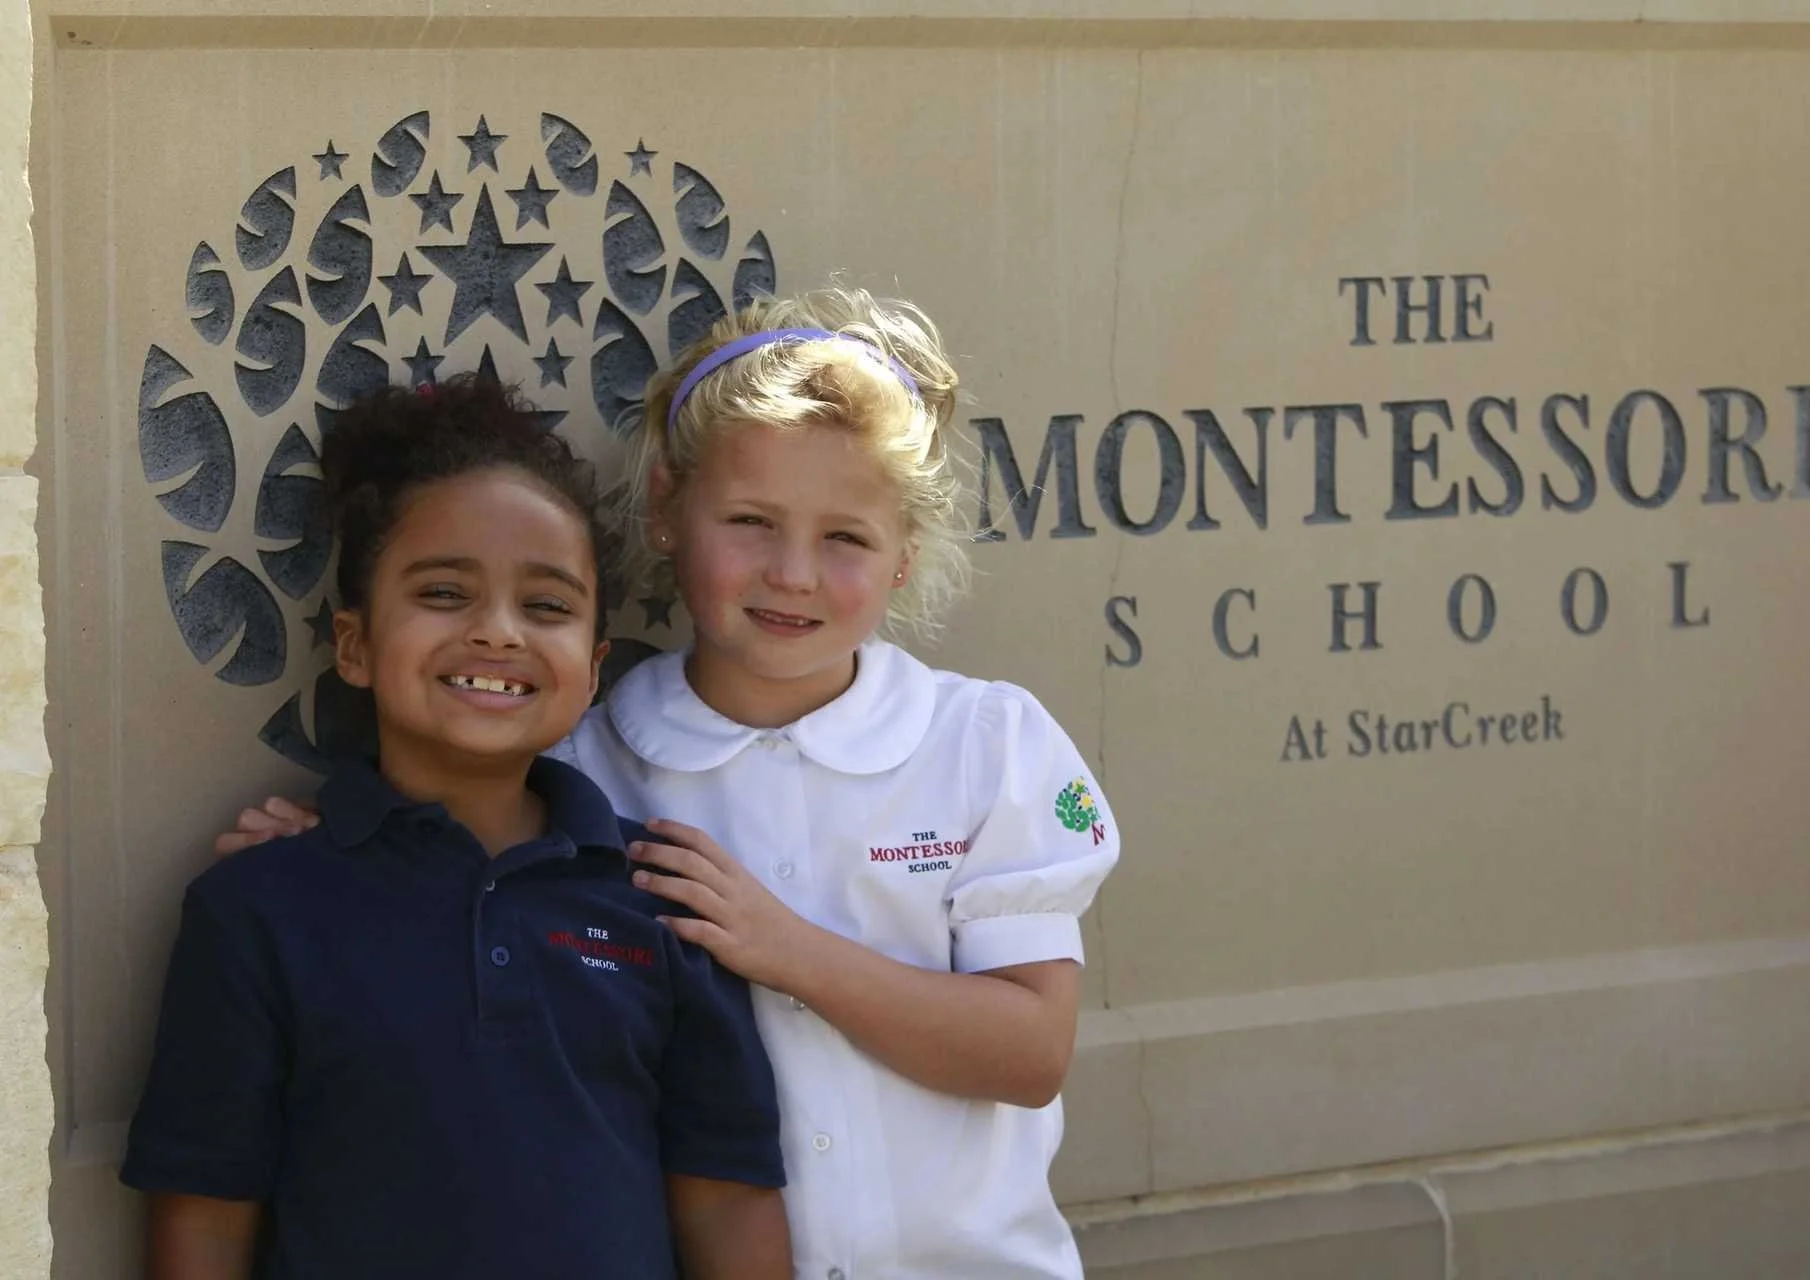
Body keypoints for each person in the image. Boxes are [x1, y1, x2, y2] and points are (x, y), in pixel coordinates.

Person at [217, 286, 1122, 1278]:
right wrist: (327, 857)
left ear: (905, 552)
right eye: (750, 520)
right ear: (665, 512)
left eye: (846, 538)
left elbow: (1030, 1053)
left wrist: (786, 948)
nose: (792, 572)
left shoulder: (989, 744)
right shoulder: (583, 764)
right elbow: (447, 896)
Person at [126, 375, 791, 1280]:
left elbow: (724, 1200)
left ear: (593, 668)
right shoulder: (257, 909)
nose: (499, 633)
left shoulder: (664, 903)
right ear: (355, 646)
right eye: (444, 592)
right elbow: (204, 1215)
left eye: (548, 606)